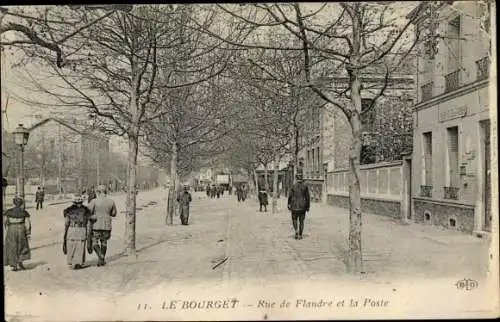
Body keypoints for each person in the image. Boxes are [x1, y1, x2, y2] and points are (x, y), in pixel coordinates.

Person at [87, 185, 117, 266]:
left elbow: (87, 213)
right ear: (105, 192)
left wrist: (92, 216)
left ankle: (101, 255)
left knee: (94, 241)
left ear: (98, 192)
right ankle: (101, 260)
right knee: (104, 241)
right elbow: (114, 214)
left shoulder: (94, 201)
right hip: (107, 225)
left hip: (96, 224)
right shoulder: (111, 201)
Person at [63, 195, 93, 269]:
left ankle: (71, 262)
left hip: (72, 229)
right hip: (82, 229)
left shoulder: (68, 210)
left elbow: (66, 222)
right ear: (82, 202)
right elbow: (89, 222)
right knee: (80, 245)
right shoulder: (86, 210)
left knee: (71, 244)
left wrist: (66, 231)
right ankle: (79, 262)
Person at [3, 196, 31, 271]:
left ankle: (14, 265)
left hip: (11, 229)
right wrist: (28, 232)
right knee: (22, 246)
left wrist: (7, 230)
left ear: (14, 203)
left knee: (12, 246)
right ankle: (20, 263)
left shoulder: (9, 212)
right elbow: (28, 224)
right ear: (21, 204)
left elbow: (5, 222)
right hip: (21, 229)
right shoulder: (24, 212)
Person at [287, 174, 310, 240]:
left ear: (296, 179)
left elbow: (290, 196)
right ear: (302, 179)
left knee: (294, 219)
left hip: (294, 206)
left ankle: (296, 230)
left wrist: (288, 204)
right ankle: (300, 234)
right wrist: (308, 206)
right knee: (301, 221)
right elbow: (307, 197)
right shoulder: (305, 186)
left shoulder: (293, 186)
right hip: (302, 207)